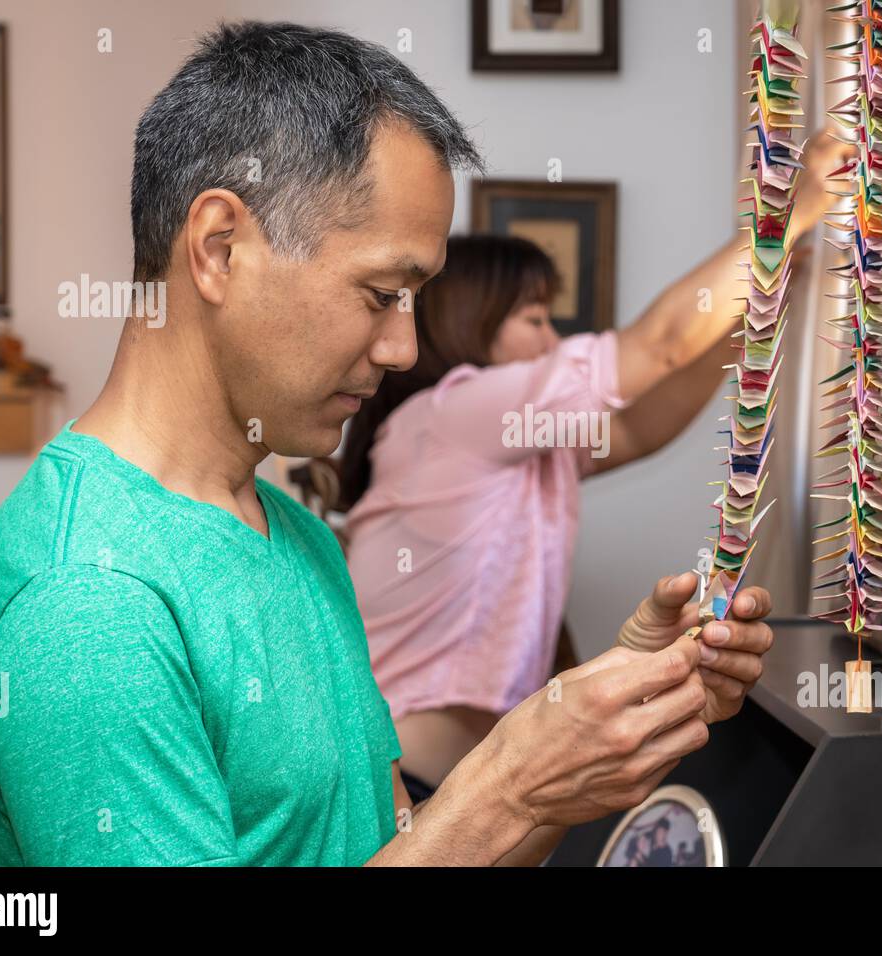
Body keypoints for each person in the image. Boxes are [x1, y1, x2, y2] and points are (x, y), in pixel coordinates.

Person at [0, 21, 774, 867]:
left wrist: (604, 724)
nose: (404, 350)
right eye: (381, 292)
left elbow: (407, 850)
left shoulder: (291, 534)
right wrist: (510, 781)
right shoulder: (90, 602)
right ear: (220, 249)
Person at [330, 137, 848, 800]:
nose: (553, 341)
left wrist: (761, 300)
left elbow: (642, 425)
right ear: (469, 321)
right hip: (407, 781)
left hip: (456, 779)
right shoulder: (455, 412)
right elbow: (658, 348)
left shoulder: (513, 441)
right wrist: (787, 212)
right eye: (536, 319)